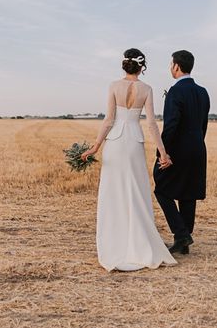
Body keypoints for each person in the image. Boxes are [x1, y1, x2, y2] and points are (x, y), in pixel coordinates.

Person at [82, 49, 177, 271]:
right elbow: (152, 124)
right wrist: (163, 152)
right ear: (142, 67)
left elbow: (108, 120)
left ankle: (116, 243)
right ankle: (140, 243)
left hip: (115, 143)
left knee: (113, 191)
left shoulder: (114, 86)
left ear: (124, 65)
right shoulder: (147, 89)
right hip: (134, 142)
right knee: (136, 191)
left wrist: (96, 146)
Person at [153, 50, 210, 255]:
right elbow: (203, 124)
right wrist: (196, 143)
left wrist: (163, 153)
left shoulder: (176, 91)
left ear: (176, 66)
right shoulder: (203, 92)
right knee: (188, 194)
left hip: (178, 150)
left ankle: (181, 234)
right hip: (198, 148)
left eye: (171, 64)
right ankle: (183, 243)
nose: (170, 68)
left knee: (161, 188)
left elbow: (171, 125)